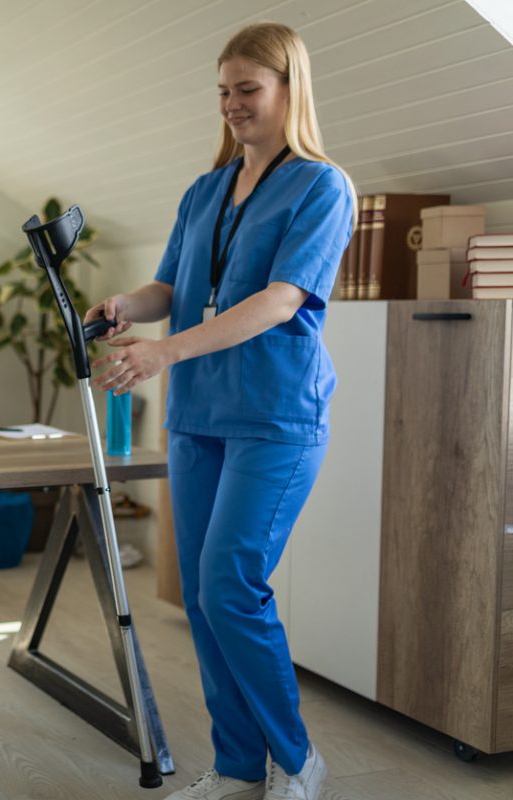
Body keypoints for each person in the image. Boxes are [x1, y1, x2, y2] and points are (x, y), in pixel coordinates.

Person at [84, 23, 354, 800]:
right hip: (199, 415)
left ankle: (298, 760)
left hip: (275, 417)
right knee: (205, 598)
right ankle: (238, 767)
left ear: (288, 90)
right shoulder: (204, 190)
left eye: (249, 90)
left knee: (232, 584)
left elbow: (280, 299)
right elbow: (168, 288)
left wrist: (162, 353)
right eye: (224, 92)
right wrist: (121, 306)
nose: (233, 106)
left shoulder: (321, 186)